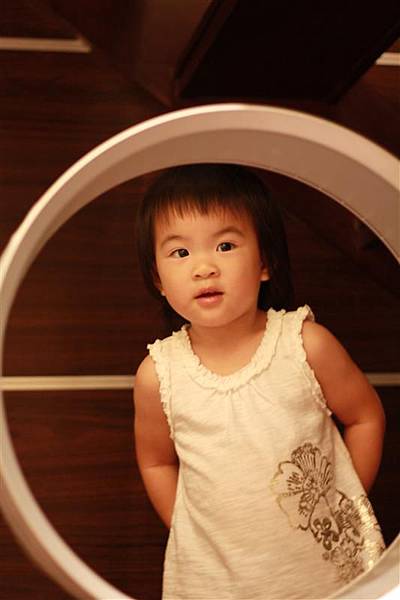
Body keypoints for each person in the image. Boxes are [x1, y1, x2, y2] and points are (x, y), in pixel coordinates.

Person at [133, 164, 386, 600]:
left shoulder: (305, 344)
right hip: (215, 582)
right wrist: (193, 533)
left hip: (325, 573)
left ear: (265, 262)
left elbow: (366, 417)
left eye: (225, 245)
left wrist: (344, 504)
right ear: (158, 278)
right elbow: (156, 463)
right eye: (180, 252)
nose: (204, 268)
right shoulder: (158, 374)